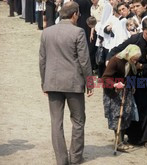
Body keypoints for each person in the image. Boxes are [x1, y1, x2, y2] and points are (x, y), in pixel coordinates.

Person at [39, 2, 93, 165]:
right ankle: (76, 157)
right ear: (75, 14)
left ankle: (61, 160)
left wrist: (44, 83)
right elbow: (84, 60)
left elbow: (42, 60)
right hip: (73, 83)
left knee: (56, 122)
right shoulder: (78, 32)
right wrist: (90, 83)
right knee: (78, 120)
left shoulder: (47, 32)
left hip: (52, 82)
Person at [107, 17, 147, 149]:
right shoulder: (135, 40)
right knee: (137, 107)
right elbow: (115, 51)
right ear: (142, 30)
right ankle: (135, 136)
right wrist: (109, 62)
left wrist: (142, 67)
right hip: (136, 79)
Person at [102, 44, 141, 151]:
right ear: (128, 54)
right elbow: (105, 78)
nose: (135, 61)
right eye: (134, 59)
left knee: (125, 115)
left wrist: (132, 85)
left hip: (125, 91)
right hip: (114, 91)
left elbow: (131, 75)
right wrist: (115, 85)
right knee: (117, 116)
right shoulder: (115, 60)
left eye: (136, 59)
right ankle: (118, 142)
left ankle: (122, 140)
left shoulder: (132, 62)